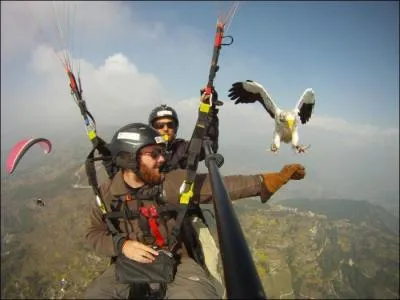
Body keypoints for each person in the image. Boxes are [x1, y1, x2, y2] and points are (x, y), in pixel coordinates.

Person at [84, 122, 306, 299]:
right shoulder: (107, 195)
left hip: (178, 262)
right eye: (154, 154)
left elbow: (218, 186)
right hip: (128, 264)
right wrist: (122, 245)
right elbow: (94, 233)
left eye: (162, 152)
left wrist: (266, 182)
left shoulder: (170, 183)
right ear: (129, 159)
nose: (163, 159)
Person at [148, 89, 220, 173]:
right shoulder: (143, 151)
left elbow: (208, 144)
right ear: (152, 128)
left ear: (176, 128)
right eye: (160, 126)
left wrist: (208, 109)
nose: (165, 129)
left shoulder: (181, 149)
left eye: (170, 125)